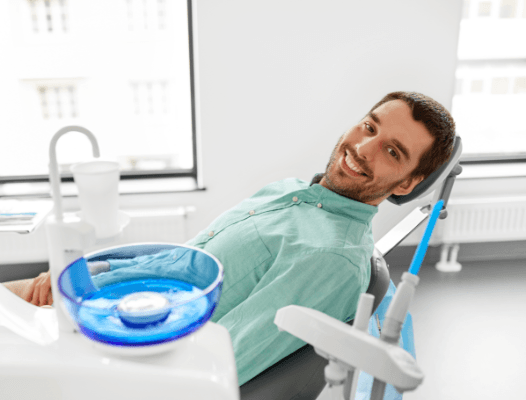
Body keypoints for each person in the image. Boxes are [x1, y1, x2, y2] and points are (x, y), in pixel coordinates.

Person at [3, 91, 456, 386]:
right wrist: (88, 273)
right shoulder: (293, 192)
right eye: (370, 126)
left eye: (392, 152)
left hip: (111, 351)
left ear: (405, 184)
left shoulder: (330, 258)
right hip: (90, 295)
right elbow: (187, 261)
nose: (363, 147)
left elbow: (223, 365)